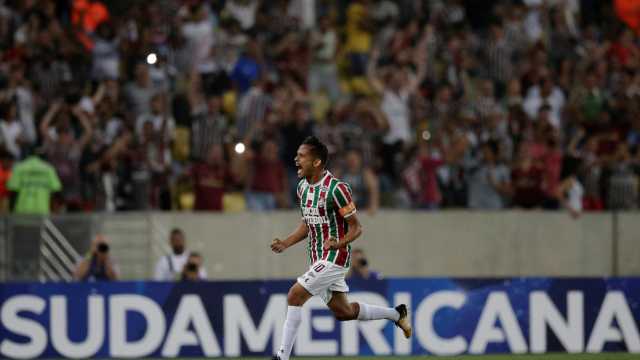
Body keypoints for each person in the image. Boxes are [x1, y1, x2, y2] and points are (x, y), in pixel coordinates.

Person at [270, 136, 410, 360]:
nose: (296, 159)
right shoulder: (302, 189)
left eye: (302, 156)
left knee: (294, 295)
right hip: (317, 259)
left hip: (335, 257)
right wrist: (286, 243)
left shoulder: (337, 189)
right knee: (344, 312)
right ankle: (396, 314)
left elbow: (357, 227)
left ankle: (282, 356)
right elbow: (307, 223)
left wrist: (340, 242)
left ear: (316, 162)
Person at [7, 148, 61, 215]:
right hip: (42, 210)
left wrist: (11, 210)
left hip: (22, 210)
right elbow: (56, 190)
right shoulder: (48, 169)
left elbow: (13, 191)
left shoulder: (19, 168)